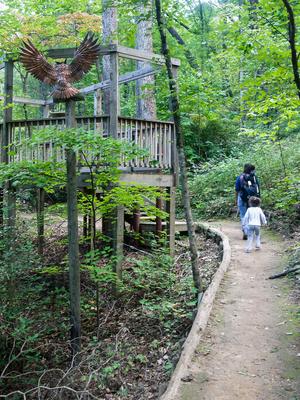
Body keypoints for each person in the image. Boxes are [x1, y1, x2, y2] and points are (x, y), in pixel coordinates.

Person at [235, 163, 260, 239]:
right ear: (252, 170)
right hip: (252, 199)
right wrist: (258, 198)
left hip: (242, 198)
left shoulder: (240, 177)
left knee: (243, 215)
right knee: (251, 215)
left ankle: (246, 232)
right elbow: (258, 188)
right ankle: (251, 232)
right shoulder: (254, 177)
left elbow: (237, 189)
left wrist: (236, 199)